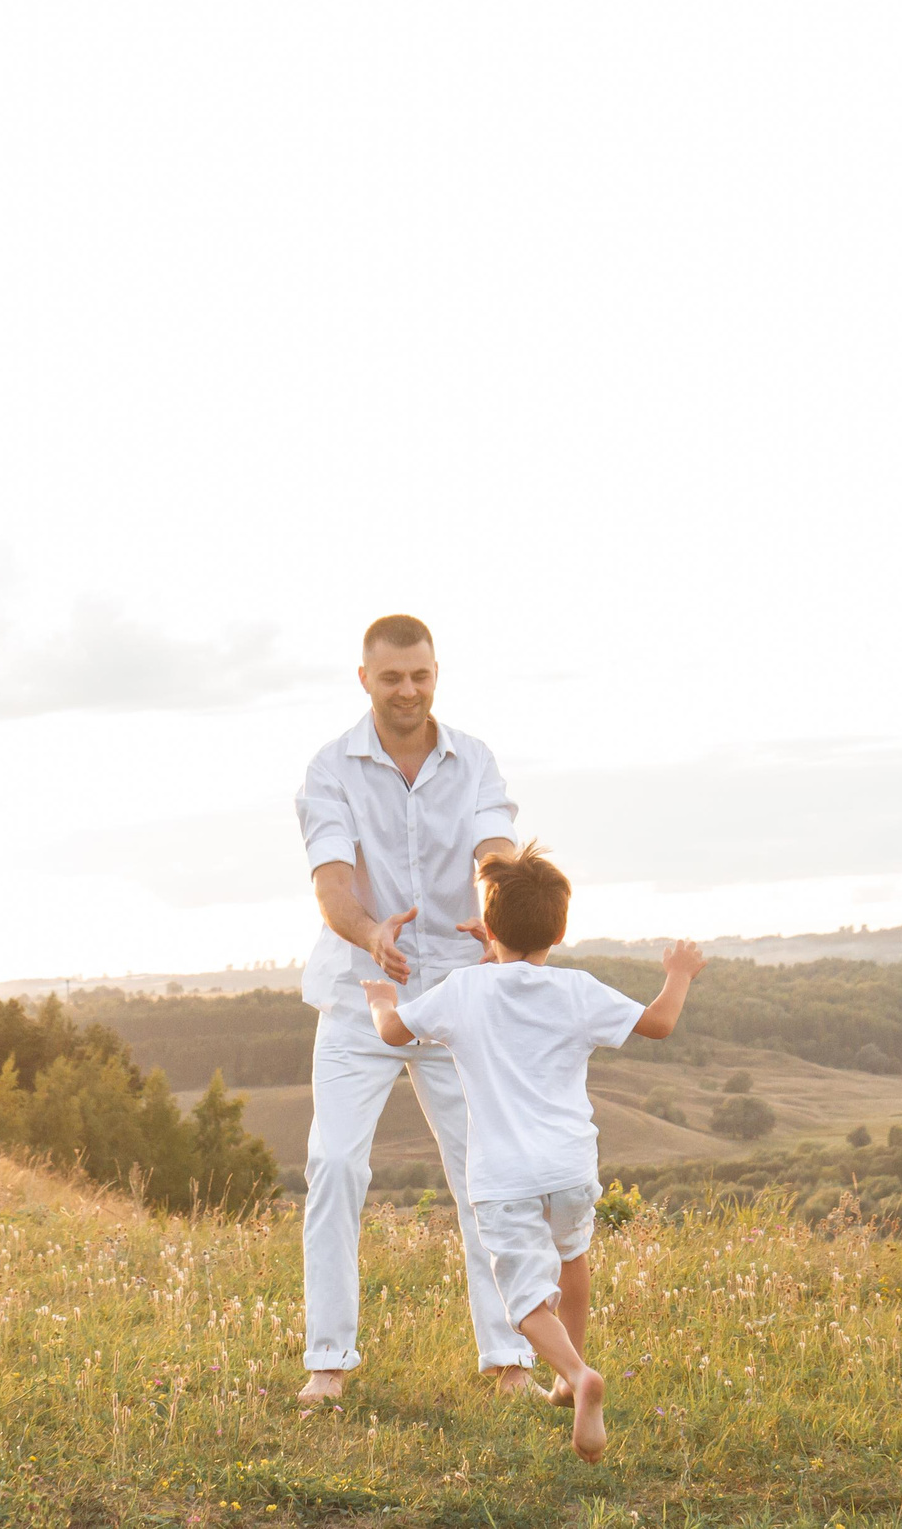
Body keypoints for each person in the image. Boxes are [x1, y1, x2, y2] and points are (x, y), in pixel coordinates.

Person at [364, 843, 706, 1462]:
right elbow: (658, 1023)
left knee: (524, 1300)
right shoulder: (576, 990)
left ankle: (576, 1377)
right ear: (560, 929)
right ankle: (564, 1380)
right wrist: (679, 973)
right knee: (572, 1257)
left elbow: (393, 1033)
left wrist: (380, 1001)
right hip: (570, 1167)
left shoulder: (465, 990)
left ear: (488, 930)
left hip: (504, 1178)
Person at [295, 614, 526, 1404]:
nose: (408, 690)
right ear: (365, 678)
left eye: (420, 675)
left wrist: (497, 906)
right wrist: (370, 932)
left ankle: (507, 1360)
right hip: (362, 994)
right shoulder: (330, 769)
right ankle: (328, 1361)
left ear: (437, 673)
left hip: (458, 995)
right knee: (333, 1163)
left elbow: (494, 847)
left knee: (485, 1171)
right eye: (392, 677)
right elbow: (332, 883)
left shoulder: (476, 760)